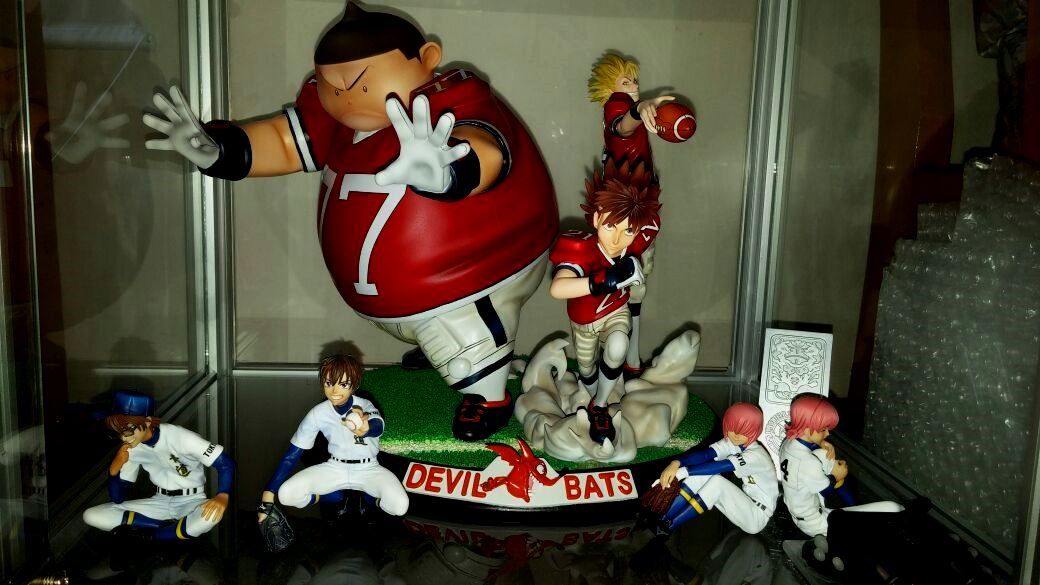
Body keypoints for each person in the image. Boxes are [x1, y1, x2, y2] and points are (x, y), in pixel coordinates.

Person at [144, 1, 558, 441]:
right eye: (332, 85)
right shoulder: (337, 122)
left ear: (428, 59)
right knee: (431, 333)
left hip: (471, 279)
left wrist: (448, 170)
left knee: (464, 341)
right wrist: (219, 152)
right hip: (391, 294)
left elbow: (486, 148)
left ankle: (488, 396)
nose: (346, 96)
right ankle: (432, 347)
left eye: (361, 81)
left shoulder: (449, 106)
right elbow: (284, 142)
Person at [548, 159, 660, 444]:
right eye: (611, 225)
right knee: (587, 370)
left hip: (616, 312)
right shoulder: (580, 247)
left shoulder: (636, 242)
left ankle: (599, 407)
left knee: (619, 344)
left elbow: (651, 222)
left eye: (628, 230)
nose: (618, 238)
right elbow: (558, 289)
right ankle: (591, 393)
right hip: (584, 321)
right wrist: (605, 280)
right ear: (597, 219)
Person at [257, 354, 408, 542]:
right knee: (287, 494)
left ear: (354, 384)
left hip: (369, 468)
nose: (335, 390)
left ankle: (369, 498)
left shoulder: (364, 405)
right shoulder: (318, 413)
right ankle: (335, 496)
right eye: (329, 383)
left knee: (399, 505)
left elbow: (377, 425)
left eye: (343, 384)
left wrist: (366, 427)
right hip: (335, 467)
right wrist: (269, 492)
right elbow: (292, 454)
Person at [587, 52, 673, 378]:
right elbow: (622, 127)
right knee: (632, 277)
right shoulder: (618, 103)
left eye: (635, 81)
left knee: (636, 278)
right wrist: (638, 109)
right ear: (611, 87)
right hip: (628, 205)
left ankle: (627, 359)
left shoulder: (626, 105)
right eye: (626, 81)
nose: (633, 86)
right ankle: (622, 359)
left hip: (634, 197)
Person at [82, 391, 234, 541]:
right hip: (159, 501)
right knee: (91, 515)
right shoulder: (130, 448)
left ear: (148, 422)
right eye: (119, 431)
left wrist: (223, 495)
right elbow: (118, 498)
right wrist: (114, 469)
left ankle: (152, 535)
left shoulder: (181, 436)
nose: (124, 437)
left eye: (129, 429)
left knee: (210, 517)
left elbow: (225, 464)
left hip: (192, 500)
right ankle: (169, 529)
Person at [655, 403, 778, 535]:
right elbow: (706, 454)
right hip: (744, 503)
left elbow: (721, 466)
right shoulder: (733, 443)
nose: (736, 435)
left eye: (744, 431)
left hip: (757, 515)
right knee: (700, 476)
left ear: (755, 431)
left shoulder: (757, 456)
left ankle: (668, 527)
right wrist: (677, 463)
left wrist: (683, 472)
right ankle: (664, 518)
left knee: (717, 482)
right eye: (733, 428)